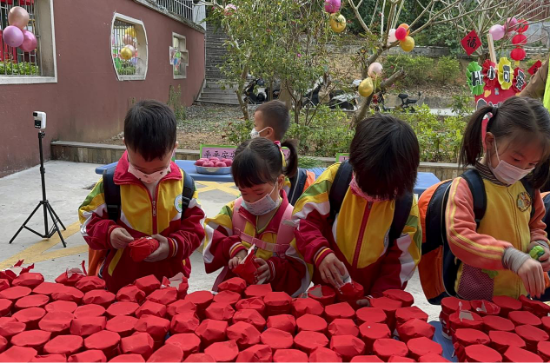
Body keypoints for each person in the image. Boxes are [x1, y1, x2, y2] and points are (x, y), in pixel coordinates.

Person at [79, 100, 205, 292]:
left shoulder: (184, 186)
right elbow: (87, 220)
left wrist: (173, 246)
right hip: (121, 284)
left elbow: (196, 230)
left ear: (174, 149)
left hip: (171, 283)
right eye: (139, 169)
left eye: (159, 169)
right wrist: (109, 233)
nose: (148, 175)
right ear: (126, 146)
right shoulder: (111, 184)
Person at [292, 114, 422, 298]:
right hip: (325, 291)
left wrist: (377, 300)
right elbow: (303, 219)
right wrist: (320, 252)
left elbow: (401, 263)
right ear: (356, 162)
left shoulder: (405, 207)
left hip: (371, 299)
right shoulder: (335, 179)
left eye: (382, 191)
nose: (372, 194)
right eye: (367, 184)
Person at [446, 96, 550, 299]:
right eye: (516, 159)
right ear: (490, 141)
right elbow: (460, 237)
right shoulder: (468, 186)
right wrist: (509, 256)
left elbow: (536, 226)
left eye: (532, 164)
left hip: (518, 295)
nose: (522, 169)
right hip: (476, 296)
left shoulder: (528, 187)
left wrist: (540, 246)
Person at [203, 138, 310, 297]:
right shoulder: (234, 211)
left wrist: (274, 269)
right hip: (233, 299)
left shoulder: (293, 221)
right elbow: (211, 237)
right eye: (244, 192)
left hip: (272, 306)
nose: (252, 200)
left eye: (259, 193)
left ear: (279, 182)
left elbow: (302, 269)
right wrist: (234, 249)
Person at [251, 100, 315, 205]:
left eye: (256, 125)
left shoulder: (266, 158)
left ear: (268, 132)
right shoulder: (276, 153)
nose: (253, 130)